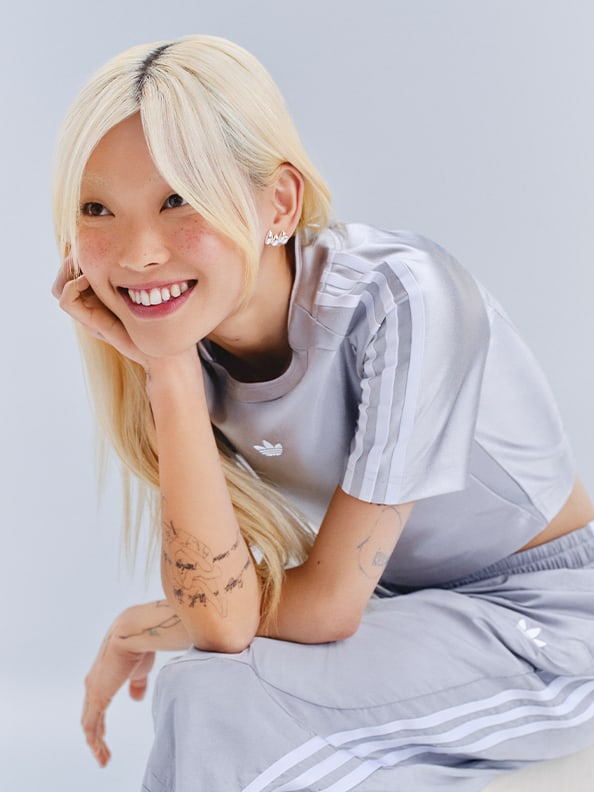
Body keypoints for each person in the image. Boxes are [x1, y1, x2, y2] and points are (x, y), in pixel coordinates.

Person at [51, 34, 594, 792]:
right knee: (206, 687)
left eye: (179, 198)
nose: (138, 252)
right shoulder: (185, 348)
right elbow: (226, 618)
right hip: (409, 613)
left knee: (211, 693)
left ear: (279, 202)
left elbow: (322, 608)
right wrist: (168, 371)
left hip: (556, 623)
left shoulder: (402, 298)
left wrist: (150, 623)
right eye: (97, 209)